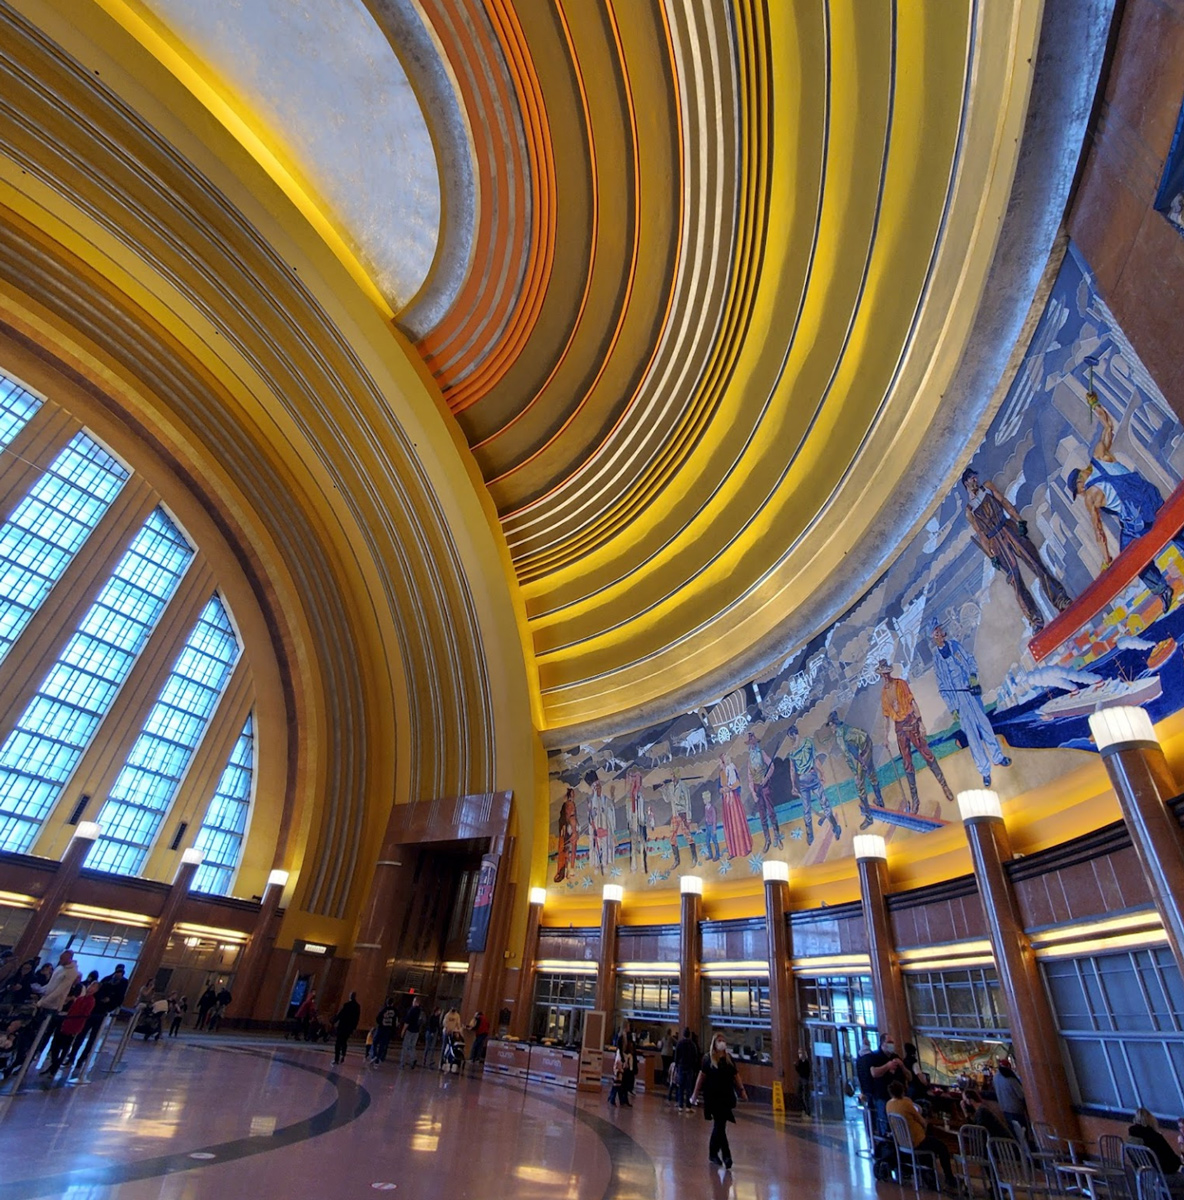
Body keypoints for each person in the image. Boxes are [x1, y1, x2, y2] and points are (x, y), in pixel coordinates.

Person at [1067, 399, 1184, 615]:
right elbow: (1107, 425)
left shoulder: (1090, 497)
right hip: (1149, 496)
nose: (1081, 494)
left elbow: (1099, 531)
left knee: (1130, 555)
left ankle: (1161, 589)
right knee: (1171, 526)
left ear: (1079, 484)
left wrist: (1106, 561)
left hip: (1136, 517)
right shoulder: (1100, 454)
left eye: (1078, 491)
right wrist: (1095, 405)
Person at [962, 466, 1071, 630]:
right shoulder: (969, 511)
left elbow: (1005, 503)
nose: (975, 480)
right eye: (972, 479)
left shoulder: (988, 487)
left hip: (1008, 528)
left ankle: (1061, 600)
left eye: (975, 477)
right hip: (996, 542)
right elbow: (981, 535)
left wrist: (1018, 520)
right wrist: (993, 557)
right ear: (966, 483)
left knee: (1035, 563)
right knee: (1016, 581)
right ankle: (1035, 621)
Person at [931, 624, 1011, 787]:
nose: (940, 633)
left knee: (985, 726)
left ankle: (998, 757)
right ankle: (984, 771)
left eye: (940, 630)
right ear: (934, 637)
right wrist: (953, 708)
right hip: (959, 701)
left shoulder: (954, 645)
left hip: (970, 692)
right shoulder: (937, 660)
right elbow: (942, 686)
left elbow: (969, 659)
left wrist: (973, 676)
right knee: (973, 738)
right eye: (936, 632)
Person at [878, 659, 955, 812]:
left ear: (889, 672)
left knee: (927, 754)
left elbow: (912, 702)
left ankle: (944, 785)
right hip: (899, 728)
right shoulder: (884, 693)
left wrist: (920, 722)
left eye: (886, 673)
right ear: (881, 675)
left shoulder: (901, 684)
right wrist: (885, 737)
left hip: (911, 722)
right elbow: (886, 717)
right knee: (907, 764)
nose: (885, 676)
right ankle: (915, 800)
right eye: (883, 674)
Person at [886, 1080, 956, 1193]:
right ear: (903, 1091)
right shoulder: (906, 1103)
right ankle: (949, 1177)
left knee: (931, 1144)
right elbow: (923, 1122)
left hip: (902, 1142)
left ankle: (929, 1173)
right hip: (917, 1140)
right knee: (942, 1147)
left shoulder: (888, 1105)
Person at [689, 1033, 748, 1169]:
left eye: (723, 1040)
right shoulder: (707, 1059)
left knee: (720, 1126)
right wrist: (695, 1094)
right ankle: (726, 1156)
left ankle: (713, 1153)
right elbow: (701, 1077)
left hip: (726, 1096)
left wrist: (742, 1090)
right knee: (719, 1125)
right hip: (713, 1097)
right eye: (719, 1041)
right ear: (714, 1043)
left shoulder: (728, 1059)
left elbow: (735, 1075)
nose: (722, 1043)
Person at [827, 711, 885, 831]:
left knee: (860, 784)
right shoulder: (842, 731)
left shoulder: (843, 736)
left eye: (831, 725)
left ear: (834, 724)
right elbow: (849, 754)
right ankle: (879, 801)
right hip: (864, 745)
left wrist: (857, 773)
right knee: (870, 773)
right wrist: (857, 770)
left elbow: (852, 755)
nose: (830, 728)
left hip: (863, 749)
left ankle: (869, 818)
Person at [785, 725, 840, 845]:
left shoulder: (792, 752)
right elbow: (815, 760)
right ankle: (835, 827)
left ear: (792, 735)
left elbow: (792, 770)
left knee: (807, 808)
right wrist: (822, 773)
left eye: (791, 737)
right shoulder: (808, 742)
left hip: (802, 779)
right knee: (824, 802)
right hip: (811, 775)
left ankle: (810, 836)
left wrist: (793, 785)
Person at [73, 963, 128, 1070]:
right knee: (81, 1034)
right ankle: (72, 1056)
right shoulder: (106, 980)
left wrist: (109, 1005)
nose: (118, 974)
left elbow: (119, 998)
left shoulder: (123, 983)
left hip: (102, 1012)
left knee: (93, 1037)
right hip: (94, 1010)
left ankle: (82, 1058)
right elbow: (98, 993)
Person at [745, 730, 782, 851]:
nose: (752, 745)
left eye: (754, 743)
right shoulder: (749, 760)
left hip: (765, 786)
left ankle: (777, 836)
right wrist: (753, 793)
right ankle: (767, 839)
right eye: (751, 743)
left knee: (771, 812)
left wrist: (765, 779)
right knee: (762, 815)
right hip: (757, 789)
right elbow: (749, 778)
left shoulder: (761, 753)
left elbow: (771, 767)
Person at [868, 1036, 912, 1137]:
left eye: (892, 1042)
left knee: (900, 1124)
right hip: (883, 1096)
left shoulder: (896, 1057)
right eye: (889, 1042)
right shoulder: (875, 1056)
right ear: (882, 1043)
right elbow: (874, 1073)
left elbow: (909, 1077)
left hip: (899, 1097)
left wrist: (902, 1066)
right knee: (885, 1122)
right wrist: (887, 1066)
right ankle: (886, 1145)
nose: (891, 1044)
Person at [717, 753, 752, 860]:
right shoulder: (721, 773)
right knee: (729, 826)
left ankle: (743, 848)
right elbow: (719, 787)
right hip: (726, 802)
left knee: (737, 823)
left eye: (721, 761)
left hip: (734, 800)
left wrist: (731, 788)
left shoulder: (731, 768)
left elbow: (737, 782)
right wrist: (722, 790)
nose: (720, 764)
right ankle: (732, 851)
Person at [1130, 1107, 1182, 1176]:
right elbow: (1171, 1160)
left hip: (1145, 1177)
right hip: (1163, 1177)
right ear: (1151, 1120)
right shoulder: (1155, 1138)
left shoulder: (1131, 1139)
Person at [667, 770, 698, 868]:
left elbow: (688, 801)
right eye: (671, 775)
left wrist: (689, 816)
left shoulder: (683, 785)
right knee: (672, 837)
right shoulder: (670, 786)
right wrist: (663, 790)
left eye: (673, 775)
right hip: (675, 814)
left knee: (688, 836)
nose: (672, 777)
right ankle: (677, 860)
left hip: (683, 813)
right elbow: (668, 799)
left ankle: (694, 858)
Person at [993, 1057, 1028, 1135]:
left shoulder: (995, 1078)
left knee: (1014, 1132)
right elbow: (1021, 1094)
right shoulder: (1010, 1077)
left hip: (1004, 1109)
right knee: (1022, 1132)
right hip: (1015, 1108)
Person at [554, 786, 580, 882]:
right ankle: (567, 869)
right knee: (568, 850)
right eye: (572, 793)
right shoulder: (568, 804)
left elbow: (573, 817)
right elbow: (569, 817)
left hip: (572, 827)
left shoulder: (571, 804)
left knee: (572, 849)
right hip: (569, 828)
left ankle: (570, 869)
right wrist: (573, 830)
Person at [675, 1027, 700, 1111]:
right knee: (689, 1087)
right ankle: (688, 1106)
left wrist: (676, 1066)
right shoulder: (692, 1044)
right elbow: (695, 1056)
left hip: (681, 1067)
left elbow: (676, 1056)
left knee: (681, 1087)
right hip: (689, 1068)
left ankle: (680, 1105)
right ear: (689, 1035)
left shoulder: (679, 1043)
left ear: (683, 1034)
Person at [332, 991, 361, 1065]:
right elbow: (356, 1018)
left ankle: (336, 1059)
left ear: (350, 996)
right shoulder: (357, 1006)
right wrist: (354, 1028)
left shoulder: (346, 1005)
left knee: (338, 1043)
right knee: (344, 1041)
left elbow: (340, 1014)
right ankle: (343, 1054)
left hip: (342, 1026)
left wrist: (334, 1021)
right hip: (349, 1027)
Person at [607, 1041, 633, 1107]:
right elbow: (618, 1061)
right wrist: (620, 1068)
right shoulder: (620, 1052)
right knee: (617, 1085)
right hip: (619, 1069)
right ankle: (612, 1098)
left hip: (619, 1069)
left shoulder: (621, 1052)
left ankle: (613, 1098)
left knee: (618, 1085)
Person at [371, 997, 397, 1065]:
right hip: (388, 1030)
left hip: (381, 1028)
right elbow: (395, 1022)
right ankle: (379, 1058)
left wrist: (381, 1023)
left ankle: (374, 1055)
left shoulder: (383, 1009)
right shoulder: (395, 1011)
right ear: (392, 1003)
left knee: (375, 1042)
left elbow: (377, 1018)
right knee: (383, 1045)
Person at [400, 996, 423, 1068]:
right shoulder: (421, 1011)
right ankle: (413, 1058)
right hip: (416, 1031)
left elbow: (407, 1022)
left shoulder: (412, 1010)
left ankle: (402, 1063)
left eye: (413, 1001)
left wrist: (403, 1031)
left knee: (405, 1046)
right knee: (412, 1046)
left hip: (410, 1030)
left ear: (416, 1002)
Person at [700, 791, 721, 862]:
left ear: (708, 799)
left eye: (704, 799)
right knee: (707, 841)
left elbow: (714, 819)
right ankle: (710, 854)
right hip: (708, 826)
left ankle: (717, 855)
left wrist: (714, 829)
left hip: (712, 826)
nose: (703, 801)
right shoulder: (706, 808)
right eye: (703, 799)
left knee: (715, 841)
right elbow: (706, 817)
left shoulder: (712, 808)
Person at [659, 1029, 676, 1101]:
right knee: (669, 1068)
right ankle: (668, 1080)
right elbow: (677, 1042)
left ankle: (663, 1079)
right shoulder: (671, 1038)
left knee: (664, 1067)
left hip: (663, 1053)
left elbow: (660, 1046)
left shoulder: (663, 1038)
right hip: (669, 1054)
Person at [795, 1048, 812, 1117]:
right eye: (799, 1053)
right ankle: (804, 1109)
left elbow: (807, 1071)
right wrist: (796, 1067)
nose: (799, 1055)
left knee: (805, 1095)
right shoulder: (800, 1062)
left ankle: (807, 1111)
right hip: (801, 1078)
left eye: (801, 1053)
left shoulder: (806, 1062)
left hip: (805, 1079)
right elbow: (799, 1070)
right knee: (799, 1094)